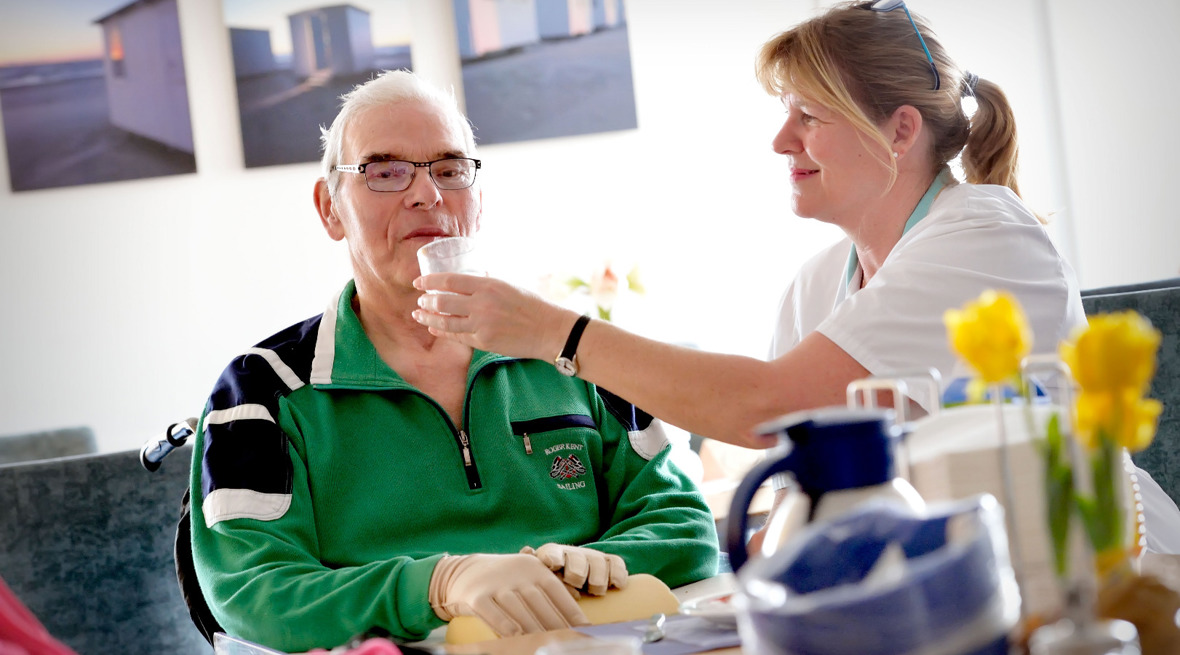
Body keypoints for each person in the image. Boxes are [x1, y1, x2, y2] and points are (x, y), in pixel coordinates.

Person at [188, 70, 718, 653]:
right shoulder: (262, 390)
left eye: (449, 169)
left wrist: (584, 568)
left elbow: (683, 525)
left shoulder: (570, 350)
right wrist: (439, 584)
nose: (426, 194)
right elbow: (254, 594)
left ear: (478, 199)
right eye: (385, 171)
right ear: (330, 208)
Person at [412, 0, 1084, 446]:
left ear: (900, 129)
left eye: (809, 116)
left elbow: (766, 407)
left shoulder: (982, 235)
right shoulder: (818, 285)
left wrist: (552, 330)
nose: (780, 140)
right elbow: (797, 453)